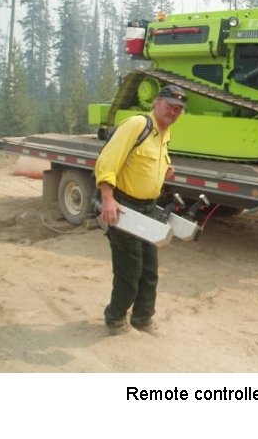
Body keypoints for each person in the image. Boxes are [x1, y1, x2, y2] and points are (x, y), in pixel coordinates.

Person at [94, 84, 187, 335]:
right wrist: (108, 199)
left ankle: (142, 319)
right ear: (156, 103)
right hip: (125, 206)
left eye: (179, 109)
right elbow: (107, 161)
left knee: (149, 269)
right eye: (170, 105)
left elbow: (146, 160)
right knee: (129, 268)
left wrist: (165, 167)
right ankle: (115, 318)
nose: (174, 112)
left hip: (148, 209)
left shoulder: (163, 133)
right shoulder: (137, 125)